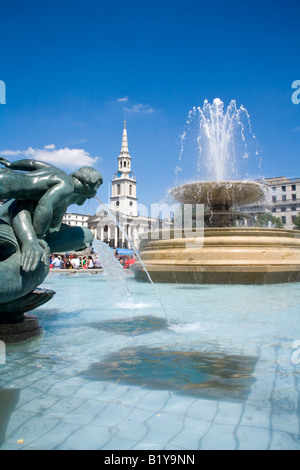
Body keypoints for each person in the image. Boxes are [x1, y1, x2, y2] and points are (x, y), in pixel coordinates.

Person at [0, 158, 103, 238]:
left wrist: (11, 164)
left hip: (6, 175)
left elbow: (32, 163)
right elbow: (45, 206)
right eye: (96, 187)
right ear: (87, 184)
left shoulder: (59, 173)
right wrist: (37, 236)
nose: (95, 192)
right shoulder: (67, 187)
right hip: (6, 187)